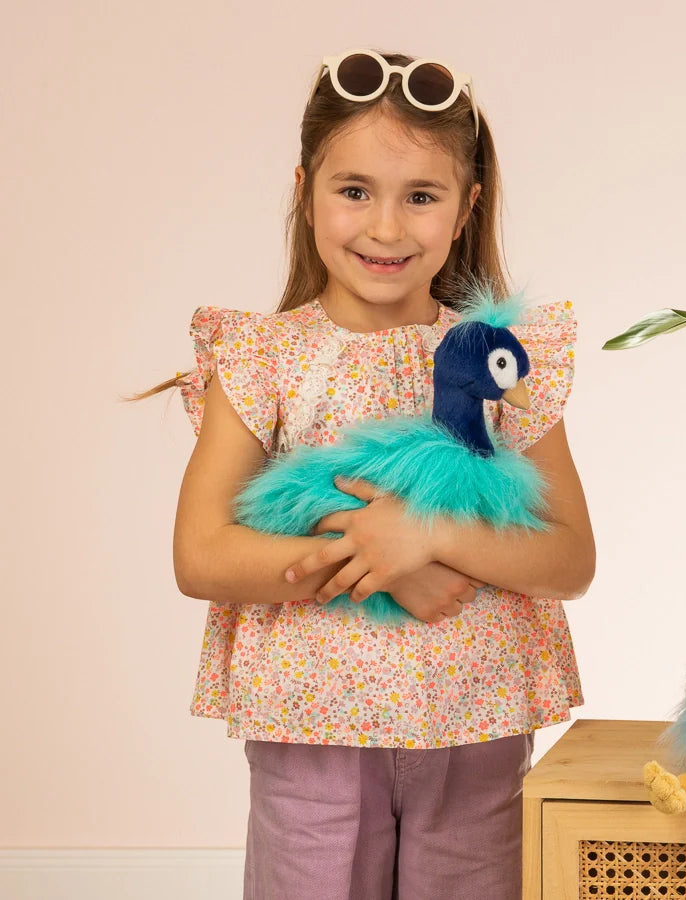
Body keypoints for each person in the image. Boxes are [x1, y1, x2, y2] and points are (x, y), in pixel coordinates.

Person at [137, 48, 595, 900]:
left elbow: (568, 558)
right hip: (310, 729)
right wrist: (380, 566)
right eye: (354, 190)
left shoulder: (501, 360)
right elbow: (201, 554)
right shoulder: (263, 357)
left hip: (475, 721)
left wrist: (429, 536)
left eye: (421, 196)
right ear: (305, 191)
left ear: (466, 207)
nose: (386, 228)